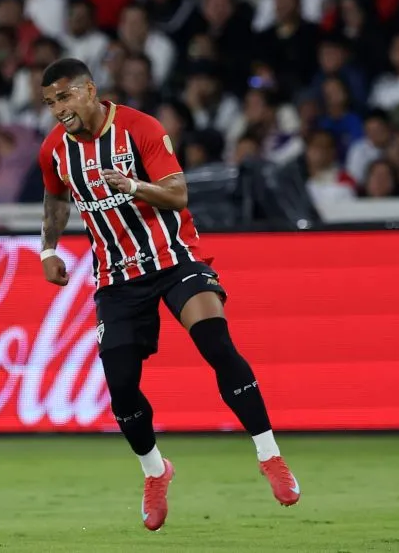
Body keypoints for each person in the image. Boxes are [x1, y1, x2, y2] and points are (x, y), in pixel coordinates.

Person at [36, 58, 299, 532]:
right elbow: (56, 196)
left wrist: (134, 185)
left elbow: (178, 195)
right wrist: (49, 248)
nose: (58, 109)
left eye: (64, 96)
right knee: (120, 387)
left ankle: (270, 456)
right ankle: (156, 471)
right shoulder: (55, 149)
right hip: (116, 276)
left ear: (89, 90)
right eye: (50, 102)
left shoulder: (141, 128)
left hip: (173, 258)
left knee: (217, 343)